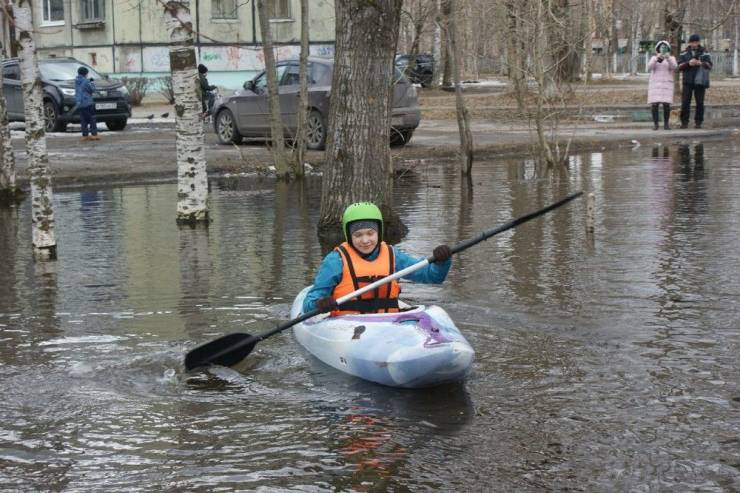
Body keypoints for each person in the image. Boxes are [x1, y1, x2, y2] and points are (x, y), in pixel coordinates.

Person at [303, 202, 452, 315]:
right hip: (347, 325)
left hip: (386, 323)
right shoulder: (336, 261)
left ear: (379, 232)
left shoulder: (393, 255)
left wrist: (442, 261)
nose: (365, 240)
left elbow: (433, 276)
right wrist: (319, 304)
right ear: (349, 236)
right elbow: (309, 302)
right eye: (358, 235)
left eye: (370, 233)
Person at [677, 34, 712, 129]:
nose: (694, 44)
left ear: (699, 42)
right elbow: (679, 67)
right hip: (687, 81)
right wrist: (689, 63)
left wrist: (701, 63)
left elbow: (710, 66)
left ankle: (698, 122)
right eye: (692, 42)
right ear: (689, 42)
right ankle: (684, 122)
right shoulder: (684, 52)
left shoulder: (705, 52)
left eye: (696, 42)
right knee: (685, 103)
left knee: (700, 102)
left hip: (700, 81)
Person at [647, 40, 677, 130]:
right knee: (654, 105)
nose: (663, 49)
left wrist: (668, 58)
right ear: (658, 49)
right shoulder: (654, 58)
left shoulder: (671, 58)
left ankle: (666, 124)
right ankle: (656, 124)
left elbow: (674, 67)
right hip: (655, 85)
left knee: (666, 105)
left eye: (665, 48)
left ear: (668, 49)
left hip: (666, 85)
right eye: (661, 48)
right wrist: (656, 58)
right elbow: (649, 67)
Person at [74, 66, 99, 141]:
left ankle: (85, 135)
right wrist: (92, 82)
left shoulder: (76, 81)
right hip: (88, 102)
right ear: (85, 74)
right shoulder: (86, 81)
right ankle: (94, 134)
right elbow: (92, 90)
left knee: (83, 120)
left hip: (79, 103)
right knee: (92, 118)